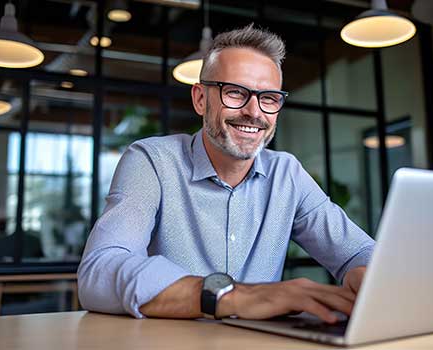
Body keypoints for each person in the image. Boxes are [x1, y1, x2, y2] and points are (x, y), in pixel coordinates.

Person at [78, 24, 375, 324]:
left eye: (269, 98)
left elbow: (358, 252)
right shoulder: (151, 161)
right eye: (235, 92)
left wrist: (366, 272)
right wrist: (234, 296)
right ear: (200, 100)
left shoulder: (287, 174)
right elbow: (99, 273)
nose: (254, 112)